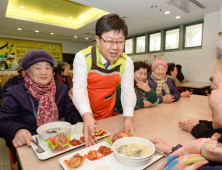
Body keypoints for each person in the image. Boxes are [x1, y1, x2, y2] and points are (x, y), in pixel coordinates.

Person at [150, 36, 222, 169]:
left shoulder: (168, 81)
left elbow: (176, 94)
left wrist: (172, 97)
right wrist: (160, 99)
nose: (208, 96)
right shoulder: (149, 83)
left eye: (213, 88)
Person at [73, 14, 136, 147]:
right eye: (109, 41)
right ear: (98, 40)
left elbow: (128, 90)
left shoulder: (127, 61)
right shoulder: (83, 57)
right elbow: (79, 88)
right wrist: (86, 115)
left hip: (107, 110)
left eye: (120, 41)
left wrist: (128, 117)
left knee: (104, 145)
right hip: (82, 109)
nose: (115, 47)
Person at [0, 50, 82, 148]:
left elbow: (69, 111)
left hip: (60, 138)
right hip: (32, 142)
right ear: (27, 72)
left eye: (47, 68)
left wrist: (83, 116)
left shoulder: (61, 88)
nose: (43, 72)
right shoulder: (15, 92)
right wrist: (18, 130)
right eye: (37, 68)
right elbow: (4, 121)